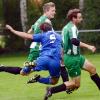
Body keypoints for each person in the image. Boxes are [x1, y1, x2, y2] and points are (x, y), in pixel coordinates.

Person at [0, 2, 68, 83]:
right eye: (52, 10)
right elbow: (51, 36)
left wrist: (29, 33)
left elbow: (32, 28)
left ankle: (32, 69)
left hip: (37, 48)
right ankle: (64, 83)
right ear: (46, 11)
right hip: (38, 49)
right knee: (25, 72)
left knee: (27, 71)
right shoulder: (46, 21)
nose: (54, 12)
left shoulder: (40, 19)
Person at [44, 8, 100, 100]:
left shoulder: (66, 27)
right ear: (74, 18)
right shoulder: (72, 28)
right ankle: (51, 90)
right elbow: (74, 41)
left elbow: (62, 43)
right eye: (79, 17)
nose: (81, 19)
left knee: (92, 69)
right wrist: (88, 46)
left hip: (76, 56)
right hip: (72, 58)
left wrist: (62, 57)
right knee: (75, 84)